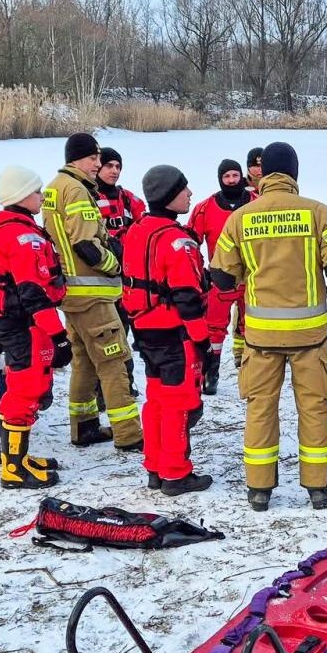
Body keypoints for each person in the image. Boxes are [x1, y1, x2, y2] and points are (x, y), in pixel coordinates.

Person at [209, 142, 327, 511]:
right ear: (294, 173)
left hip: (260, 337)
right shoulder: (319, 213)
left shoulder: (240, 218)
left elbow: (222, 280)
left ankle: (259, 491)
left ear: (259, 175)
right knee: (314, 406)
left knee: (260, 408)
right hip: (310, 335)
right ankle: (318, 488)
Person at [42, 133, 142, 450]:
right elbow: (86, 244)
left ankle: (83, 427)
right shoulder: (75, 189)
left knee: (84, 361)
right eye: (93, 159)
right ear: (76, 159)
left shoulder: (54, 187)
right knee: (114, 362)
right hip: (92, 293)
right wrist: (116, 265)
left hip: (72, 294)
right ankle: (129, 434)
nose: (98, 165)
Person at [0, 165, 73, 488]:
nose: (42, 197)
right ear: (21, 196)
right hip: (21, 323)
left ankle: (17, 458)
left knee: (25, 385)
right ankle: (14, 469)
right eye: (37, 192)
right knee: (25, 389)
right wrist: (59, 336)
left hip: (12, 320)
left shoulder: (4, 228)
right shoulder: (21, 236)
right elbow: (33, 293)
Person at [122, 165, 213, 496]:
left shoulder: (137, 230)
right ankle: (176, 474)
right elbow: (188, 299)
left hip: (145, 332)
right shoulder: (178, 241)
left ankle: (155, 467)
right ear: (168, 196)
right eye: (184, 189)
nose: (190, 194)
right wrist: (204, 344)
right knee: (179, 403)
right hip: (175, 334)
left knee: (156, 399)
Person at [186, 159, 256, 393]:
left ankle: (252, 372)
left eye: (235, 175)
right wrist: (200, 273)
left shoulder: (257, 204)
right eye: (227, 177)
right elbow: (190, 244)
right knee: (214, 328)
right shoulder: (205, 208)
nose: (232, 181)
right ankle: (211, 372)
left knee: (254, 326)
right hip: (220, 279)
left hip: (252, 278)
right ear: (220, 179)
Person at [94, 147, 146, 250]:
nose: (115, 171)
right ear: (98, 167)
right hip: (101, 258)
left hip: (128, 256)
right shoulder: (87, 196)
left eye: (118, 167)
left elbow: (144, 227)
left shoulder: (127, 197)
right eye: (109, 166)